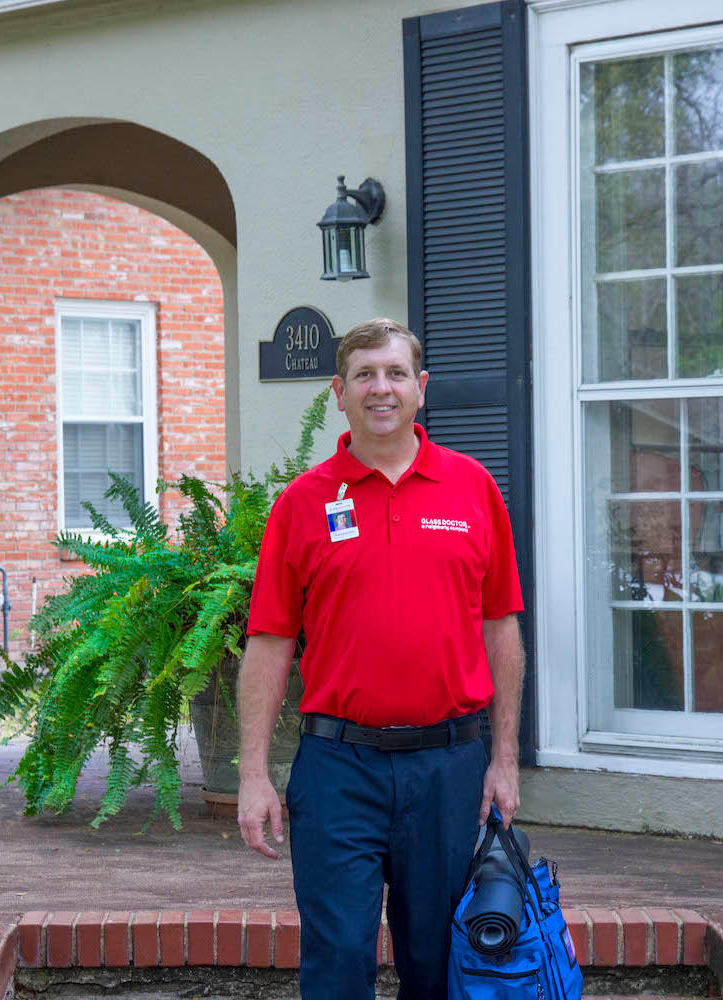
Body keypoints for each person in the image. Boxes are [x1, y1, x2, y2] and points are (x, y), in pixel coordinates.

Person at [236, 317, 525, 1000]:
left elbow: (501, 627)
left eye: (395, 373)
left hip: (448, 768)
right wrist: (252, 773)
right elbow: (270, 641)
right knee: (336, 963)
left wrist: (504, 759)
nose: (381, 388)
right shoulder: (302, 504)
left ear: (421, 389)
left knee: (437, 966)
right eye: (365, 375)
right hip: (339, 771)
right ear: (339, 391)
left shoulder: (473, 489)